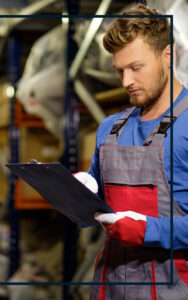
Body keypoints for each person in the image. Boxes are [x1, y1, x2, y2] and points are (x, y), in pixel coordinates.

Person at [81, 4, 188, 300]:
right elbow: (98, 207)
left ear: (169, 55)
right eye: (119, 70)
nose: (126, 81)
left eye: (136, 68)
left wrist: (146, 230)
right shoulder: (109, 129)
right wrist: (83, 189)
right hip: (110, 286)